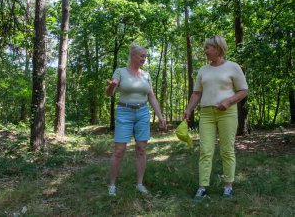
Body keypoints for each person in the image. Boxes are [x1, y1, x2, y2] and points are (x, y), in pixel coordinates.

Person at [183, 35, 248, 201]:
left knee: (227, 150)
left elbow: (243, 90)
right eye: (205, 48)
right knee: (205, 150)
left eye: (208, 48)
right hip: (206, 114)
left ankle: (228, 186)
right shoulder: (203, 70)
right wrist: (189, 110)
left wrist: (228, 101)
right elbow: (197, 93)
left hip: (227, 113)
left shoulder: (233, 67)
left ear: (218, 49)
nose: (205, 51)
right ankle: (202, 187)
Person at [106, 43, 167, 196]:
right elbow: (109, 94)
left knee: (141, 149)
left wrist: (160, 117)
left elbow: (151, 97)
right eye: (142, 56)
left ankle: (139, 184)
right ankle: (112, 185)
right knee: (119, 150)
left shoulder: (146, 75)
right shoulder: (120, 71)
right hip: (124, 112)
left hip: (143, 112)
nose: (144, 59)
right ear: (133, 56)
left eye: (145, 56)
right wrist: (112, 86)